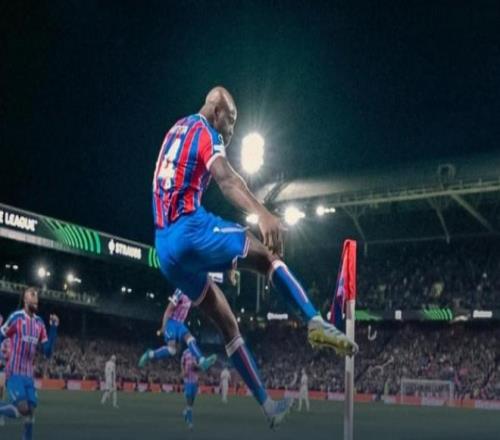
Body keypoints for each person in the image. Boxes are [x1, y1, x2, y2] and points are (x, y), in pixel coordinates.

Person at [152, 86, 357, 429]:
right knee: (264, 254)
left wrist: (216, 259)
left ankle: (268, 406)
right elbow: (227, 180)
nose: (231, 131)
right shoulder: (206, 132)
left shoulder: (176, 128)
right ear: (217, 111)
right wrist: (262, 213)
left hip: (165, 248)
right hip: (188, 228)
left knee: (227, 323)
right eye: (231, 121)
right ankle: (314, 321)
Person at [0, 287, 59, 439]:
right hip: (14, 372)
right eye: (33, 299)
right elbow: (1, 335)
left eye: (37, 299)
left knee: (31, 411)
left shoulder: (39, 323)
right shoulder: (16, 318)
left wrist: (53, 328)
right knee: (23, 408)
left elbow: (47, 352)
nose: (36, 301)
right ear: (25, 300)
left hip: (28, 375)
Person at [138, 289, 217, 371]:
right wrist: (164, 327)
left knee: (191, 339)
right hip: (171, 322)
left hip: (180, 324)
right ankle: (150, 354)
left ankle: (202, 361)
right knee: (172, 350)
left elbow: (193, 303)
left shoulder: (191, 293)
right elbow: (168, 310)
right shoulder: (179, 292)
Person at [181, 348, 199, 430]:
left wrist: (195, 366)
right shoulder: (185, 352)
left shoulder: (196, 352)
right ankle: (190, 423)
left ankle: (185, 413)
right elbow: (182, 364)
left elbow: (198, 368)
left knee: (192, 403)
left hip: (195, 381)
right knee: (189, 403)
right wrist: (183, 372)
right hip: (188, 381)